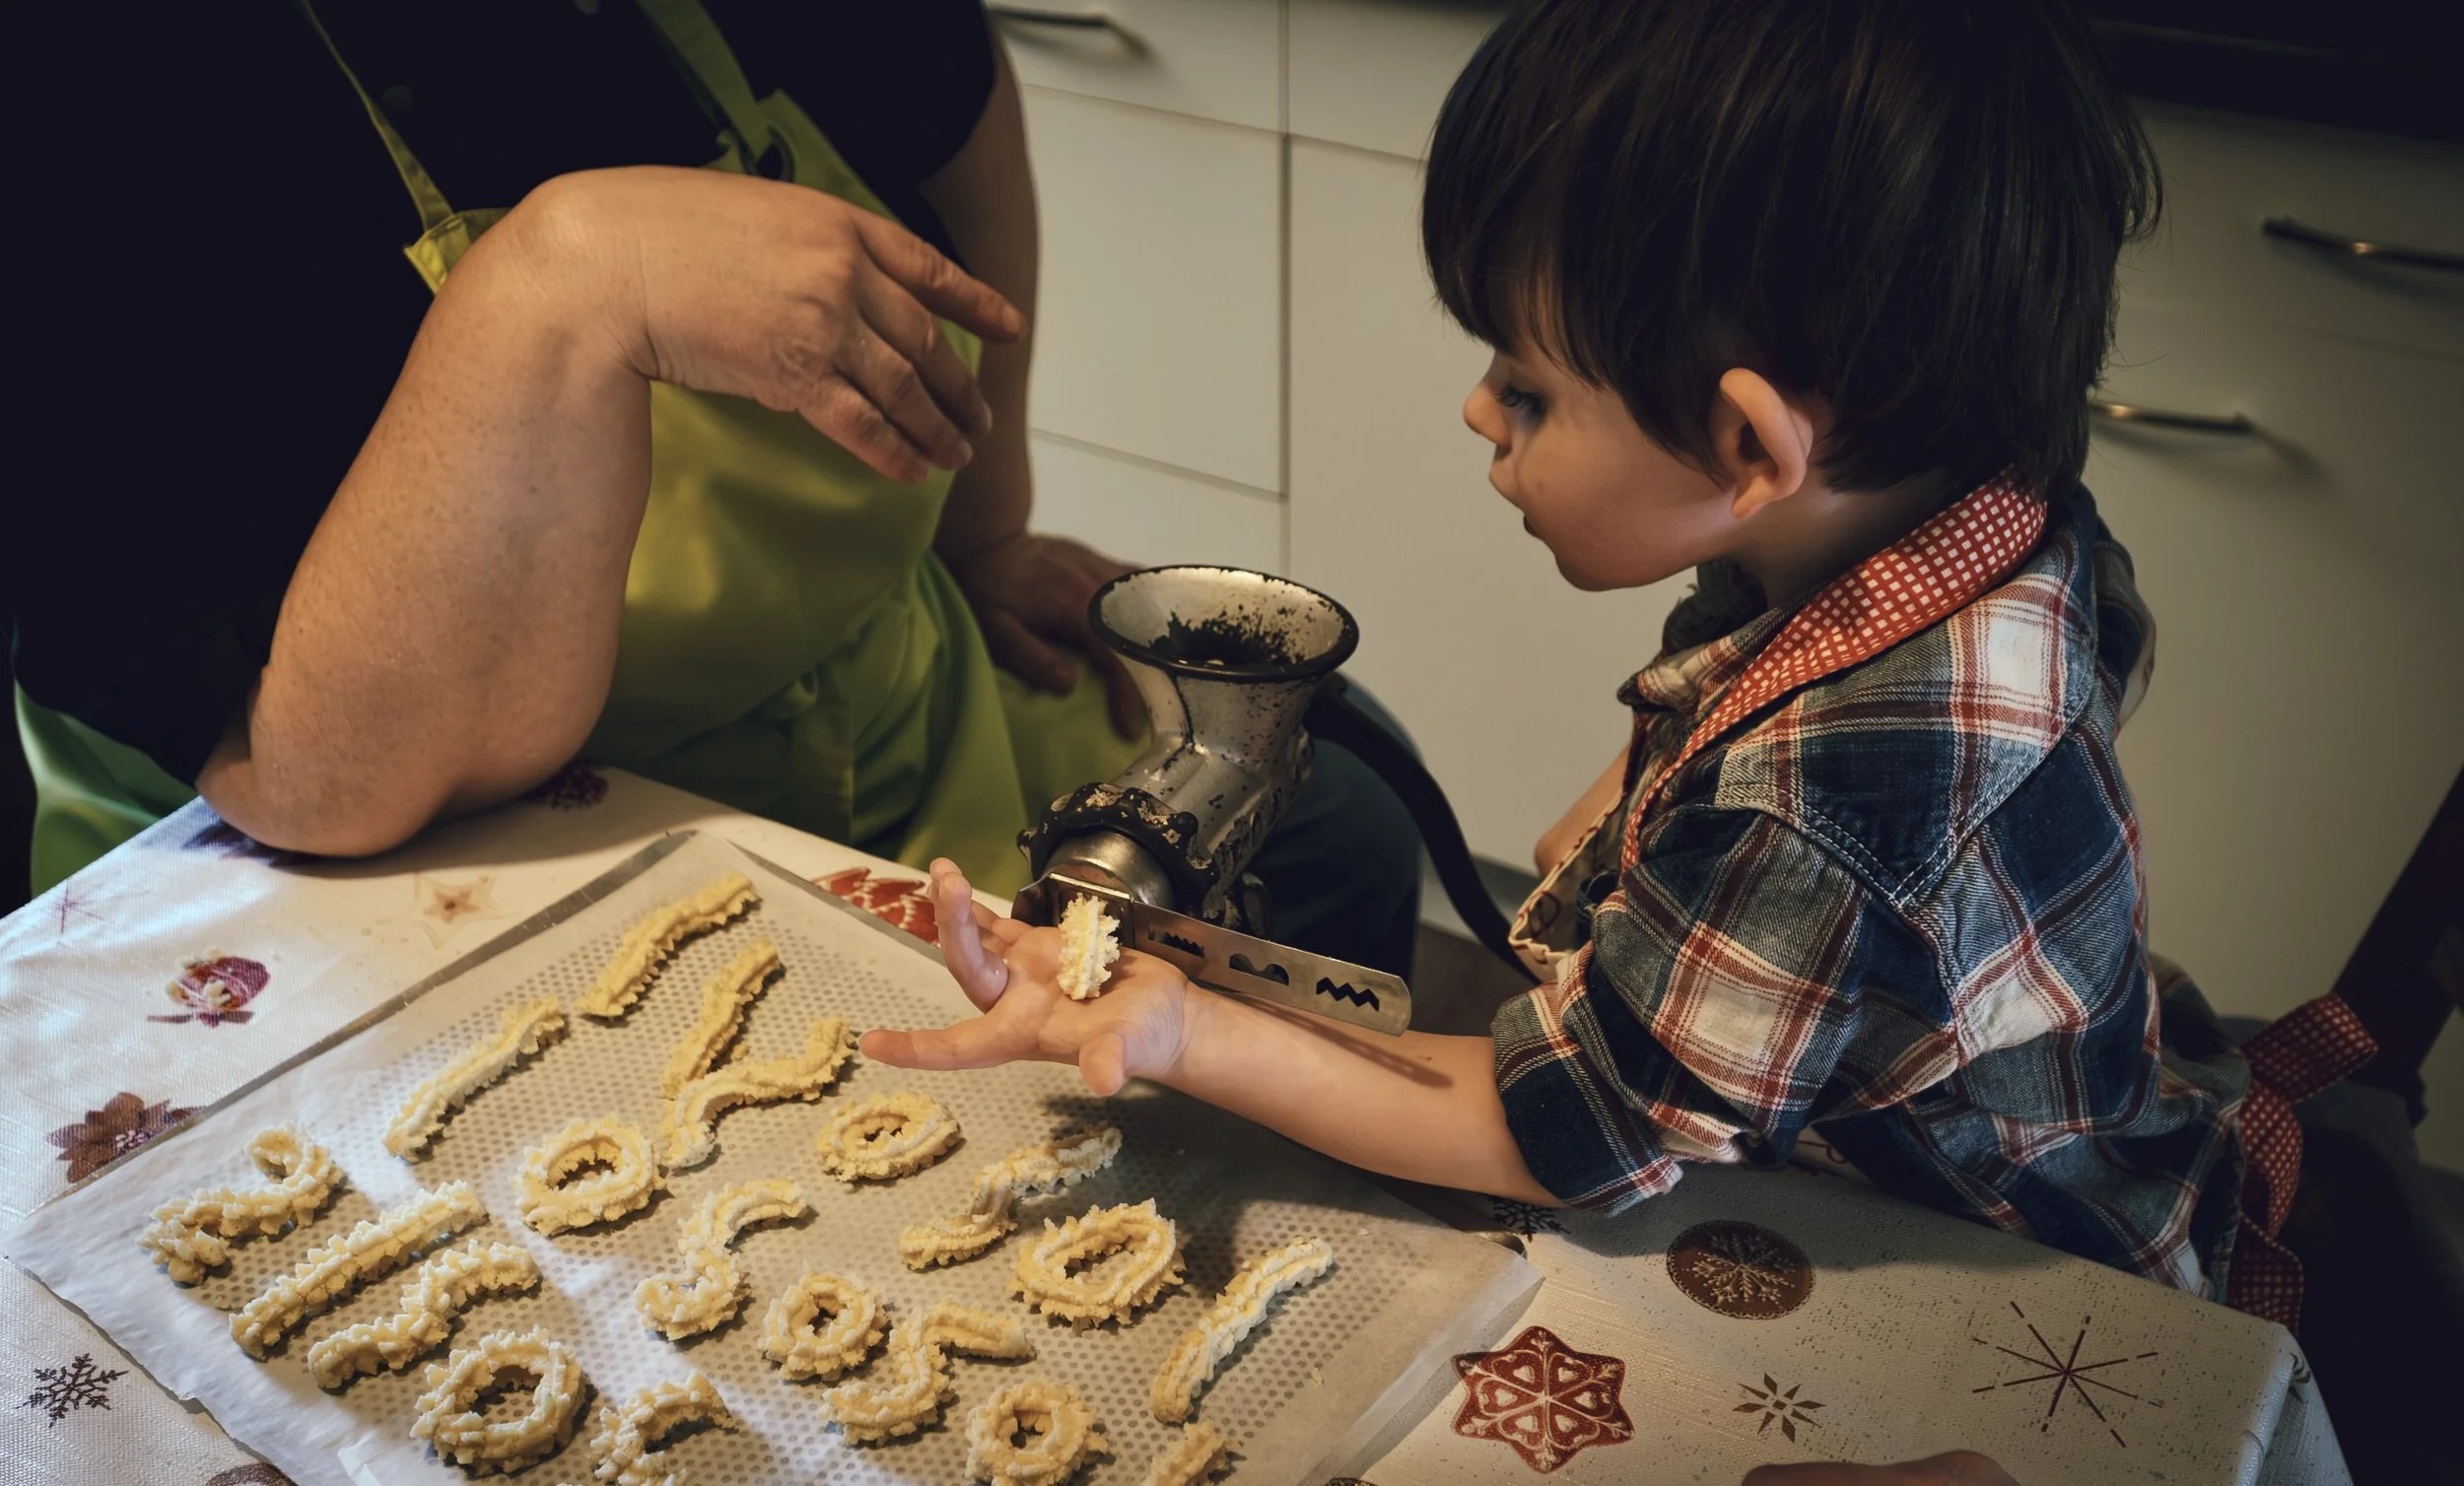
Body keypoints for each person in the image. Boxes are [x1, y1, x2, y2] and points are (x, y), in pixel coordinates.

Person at [865, 0, 2374, 1338]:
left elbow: (1564, 1129)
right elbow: (1782, 691)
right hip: (2101, 1099)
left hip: (2008, 1274)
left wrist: (1188, 1031)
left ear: (1748, 448)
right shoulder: (1981, 501)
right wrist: (1642, 811)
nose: (1479, 414)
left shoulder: (1826, 814)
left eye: (1525, 388)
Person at [5, 1, 1418, 974]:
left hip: (867, 706)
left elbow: (959, 120)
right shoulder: (103, 95)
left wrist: (986, 532)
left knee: (1343, 827)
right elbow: (321, 784)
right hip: (389, 854)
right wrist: (567, 284)